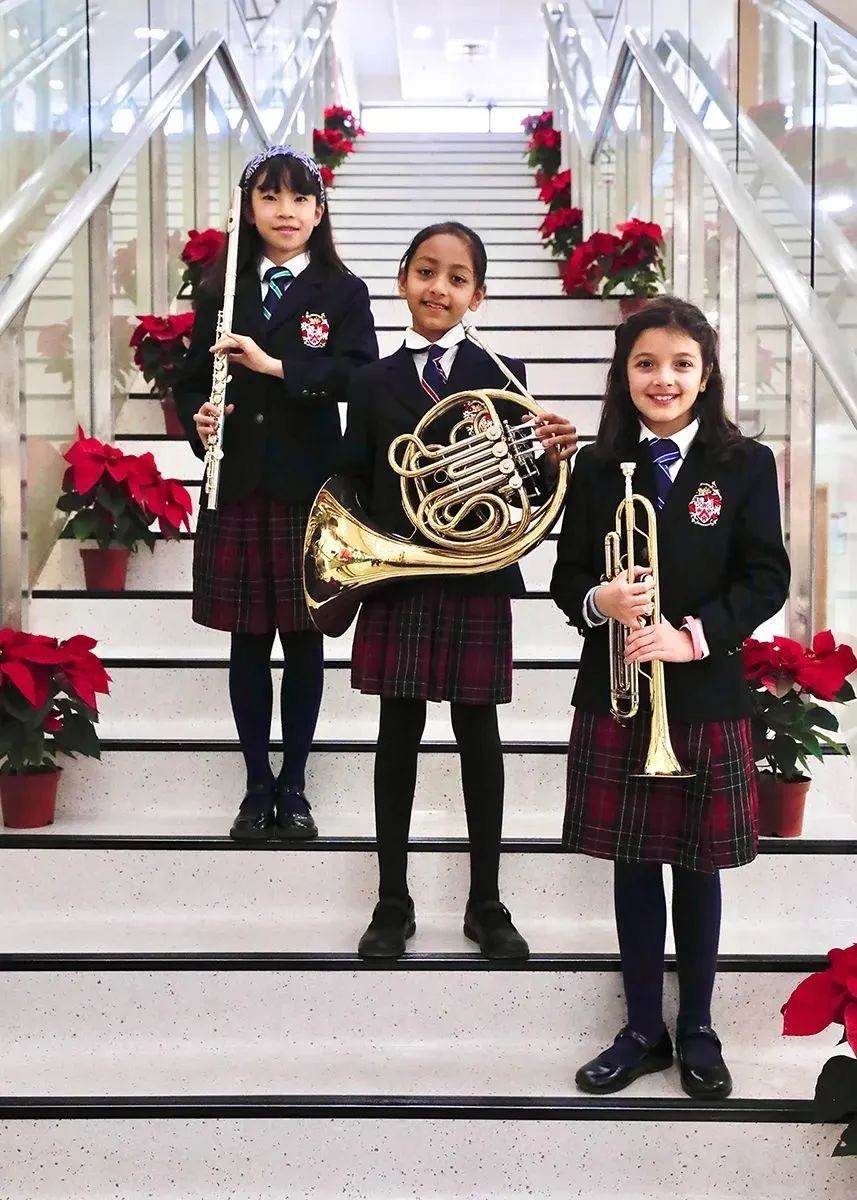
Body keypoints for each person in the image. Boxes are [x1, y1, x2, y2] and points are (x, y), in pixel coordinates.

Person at [551, 295, 790, 1098]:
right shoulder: (597, 466)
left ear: (706, 373)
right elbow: (567, 576)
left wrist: (695, 636)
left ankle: (697, 1028)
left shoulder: (742, 463)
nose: (663, 378)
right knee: (631, 864)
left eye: (681, 364)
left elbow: (766, 576)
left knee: (696, 868)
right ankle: (640, 1029)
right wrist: (601, 601)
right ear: (622, 374)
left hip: (703, 691)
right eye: (645, 363)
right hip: (619, 694)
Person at [341, 221, 577, 961]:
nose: (437, 287)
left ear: (478, 295)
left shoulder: (503, 372)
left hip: (476, 577)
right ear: (401, 281)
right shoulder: (370, 382)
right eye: (424, 271)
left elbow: (524, 488)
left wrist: (549, 458)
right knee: (396, 737)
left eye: (455, 277)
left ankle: (486, 901)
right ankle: (391, 900)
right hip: (400, 579)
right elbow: (353, 481)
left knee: (480, 737)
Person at [173, 145, 378, 842]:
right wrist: (200, 422)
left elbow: (360, 378)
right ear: (248, 210)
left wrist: (276, 365)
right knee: (247, 642)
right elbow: (189, 384)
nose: (285, 211)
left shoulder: (342, 291)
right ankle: (256, 783)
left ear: (319, 212)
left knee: (304, 641)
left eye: (299, 198)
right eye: (269, 196)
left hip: (308, 488)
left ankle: (295, 784)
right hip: (238, 483)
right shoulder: (220, 288)